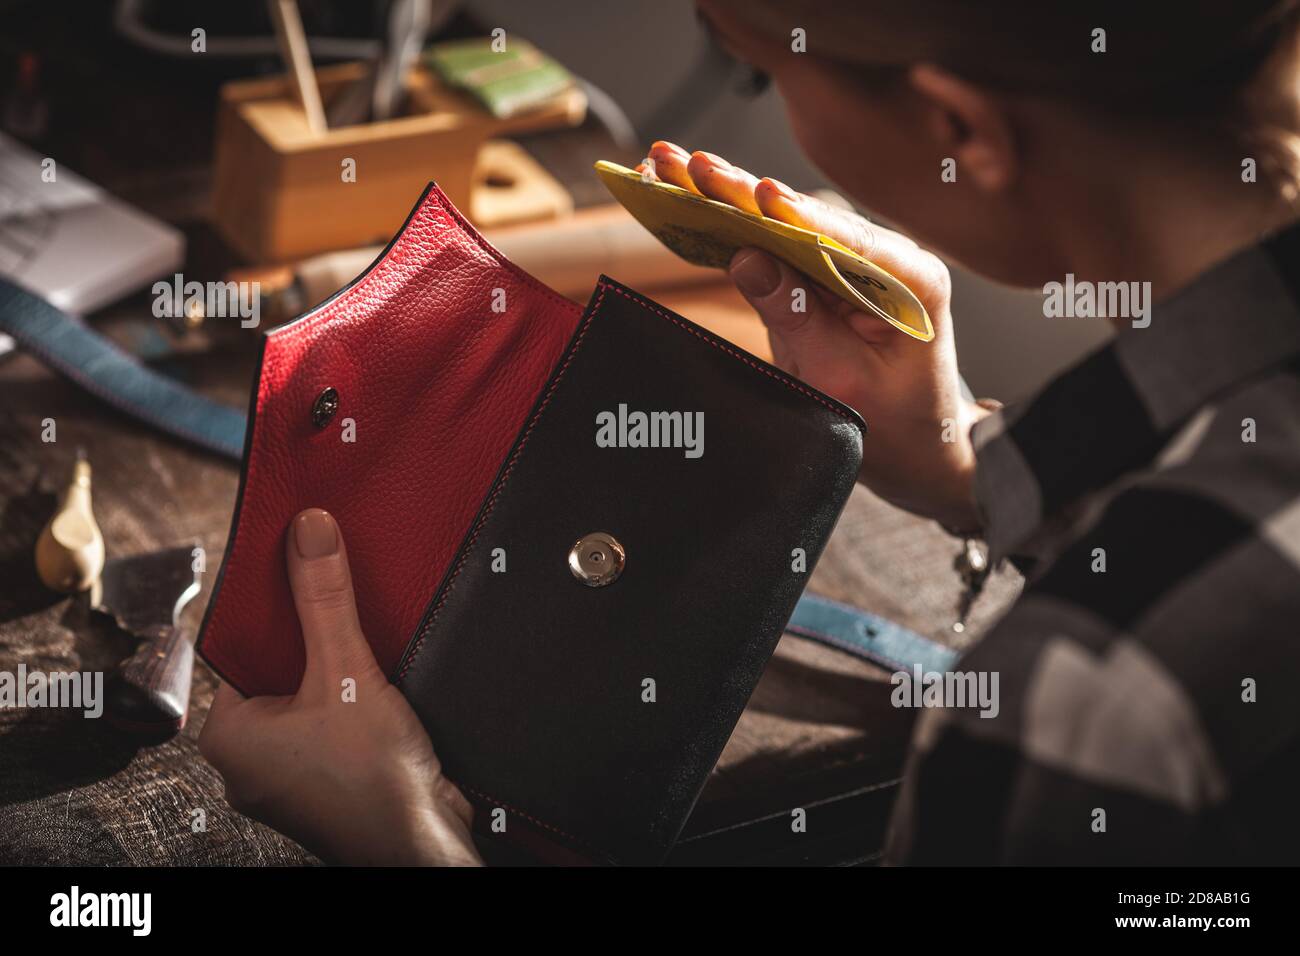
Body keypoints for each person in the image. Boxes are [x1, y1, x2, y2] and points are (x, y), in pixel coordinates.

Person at [201, 0, 1300, 864]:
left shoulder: (1089, 705)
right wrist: (962, 463)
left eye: (766, 68)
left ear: (959, 128)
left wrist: (400, 838)